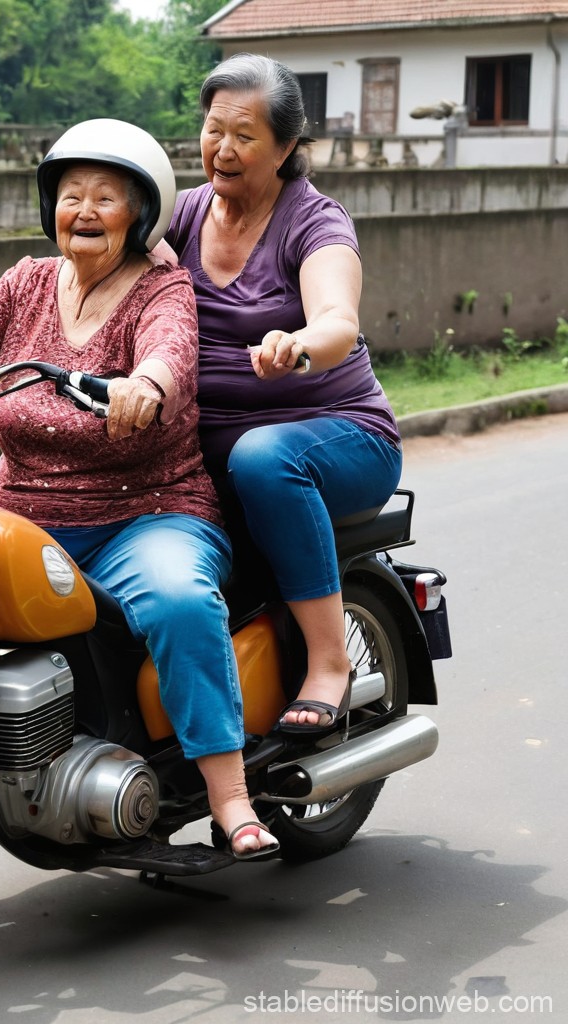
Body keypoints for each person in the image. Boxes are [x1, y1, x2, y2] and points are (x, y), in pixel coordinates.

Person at [0, 118, 279, 859]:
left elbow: (171, 352)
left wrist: (145, 385)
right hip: (26, 513)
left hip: (146, 513)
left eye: (106, 196)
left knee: (180, 600)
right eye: (72, 195)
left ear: (141, 213)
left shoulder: (163, 289)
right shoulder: (27, 283)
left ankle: (229, 795)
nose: (86, 211)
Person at [162, 53, 403, 734]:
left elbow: (336, 319)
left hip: (336, 436)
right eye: (214, 130)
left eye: (245, 136)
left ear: (287, 146)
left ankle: (329, 661)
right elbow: (104, 273)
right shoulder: (181, 217)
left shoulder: (313, 222)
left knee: (264, 457)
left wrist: (298, 343)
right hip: (209, 446)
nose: (223, 149)